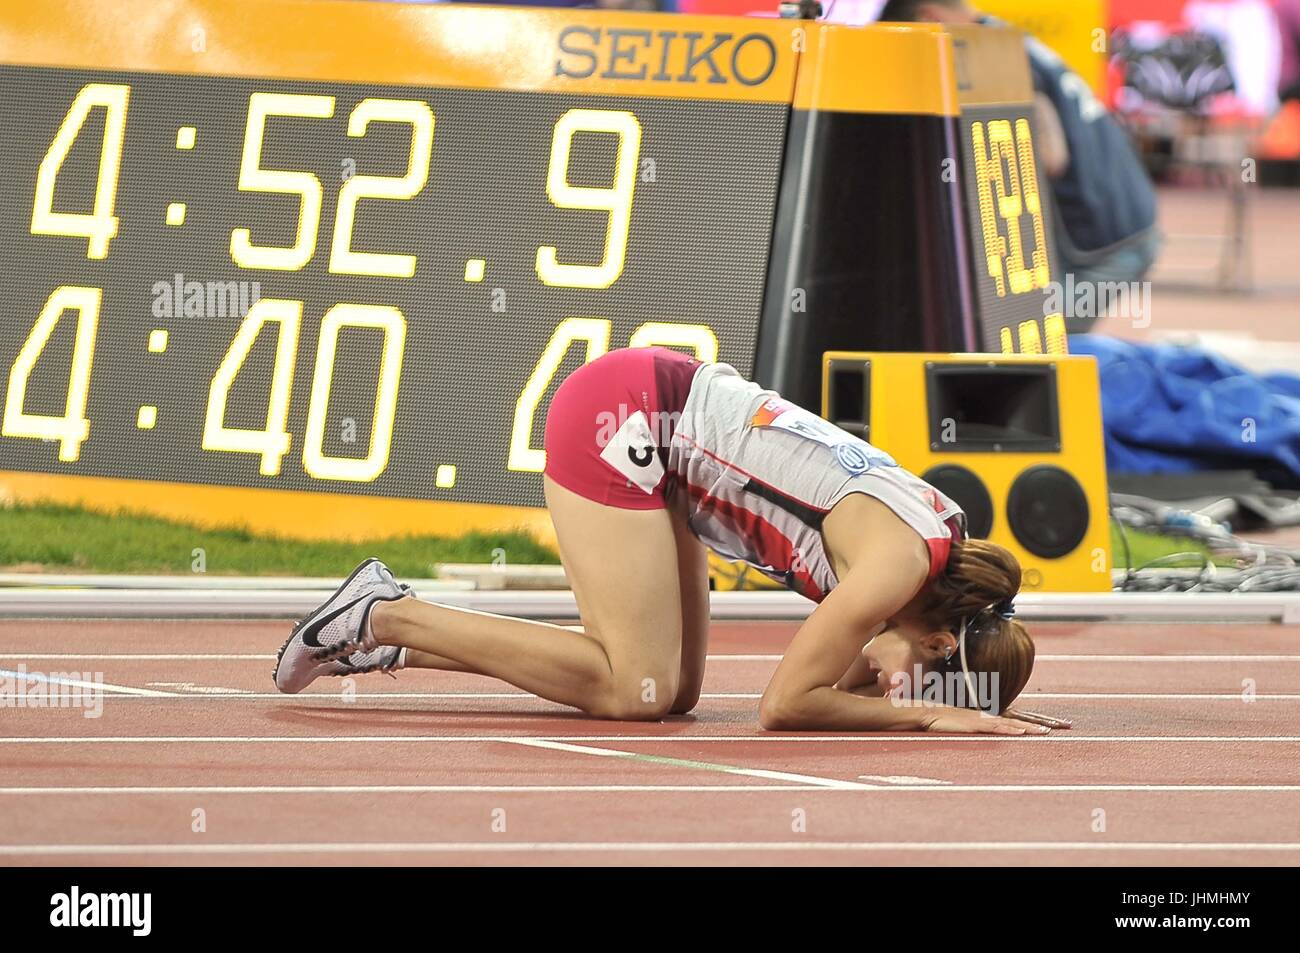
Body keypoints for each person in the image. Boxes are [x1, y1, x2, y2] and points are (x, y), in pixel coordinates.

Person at [274, 347, 1066, 734]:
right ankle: (387, 613)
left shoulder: (931, 566)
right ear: (933, 640)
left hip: (674, 448)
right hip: (627, 421)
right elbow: (786, 706)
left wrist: (982, 708)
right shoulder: (895, 572)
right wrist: (932, 720)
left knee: (672, 694)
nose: (891, 691)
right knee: (632, 692)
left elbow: (848, 686)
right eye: (916, 685)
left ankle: (388, 645)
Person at [879, 0, 1161, 333]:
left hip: (1104, 242)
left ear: (929, 18)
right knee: (1020, 341)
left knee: (1030, 342)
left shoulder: (988, 52)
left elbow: (1050, 155)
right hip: (1123, 220)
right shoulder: (1004, 38)